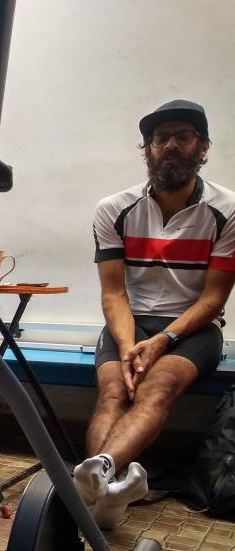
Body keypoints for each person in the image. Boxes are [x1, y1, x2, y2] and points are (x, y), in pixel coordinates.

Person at [74, 100, 235, 529]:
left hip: (193, 327)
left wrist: (163, 341)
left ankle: (97, 476)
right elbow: (114, 292)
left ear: (203, 147)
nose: (170, 145)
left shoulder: (228, 210)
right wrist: (129, 347)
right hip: (130, 322)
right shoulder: (114, 208)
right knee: (113, 392)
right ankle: (109, 492)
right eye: (160, 138)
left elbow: (213, 299)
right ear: (147, 149)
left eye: (183, 136)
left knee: (156, 388)